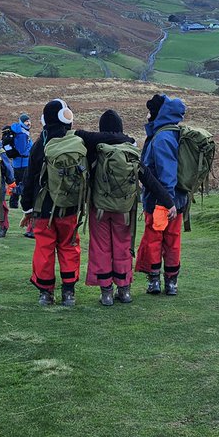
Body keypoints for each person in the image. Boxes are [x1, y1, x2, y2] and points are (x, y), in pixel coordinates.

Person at [21, 99, 85, 307]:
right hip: (69, 206)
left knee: (44, 249)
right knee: (69, 247)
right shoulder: (75, 141)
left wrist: (27, 207)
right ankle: (69, 292)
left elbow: (29, 178)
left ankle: (46, 293)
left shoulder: (40, 145)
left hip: (43, 209)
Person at [76, 109, 139, 306]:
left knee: (101, 248)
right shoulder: (130, 149)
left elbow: (78, 133)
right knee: (122, 246)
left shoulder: (96, 147)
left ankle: (106, 294)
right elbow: (146, 176)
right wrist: (168, 202)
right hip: (125, 209)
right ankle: (124, 290)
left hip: (100, 208)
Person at [135, 93, 187, 296]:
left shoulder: (161, 138)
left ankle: (155, 281)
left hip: (161, 200)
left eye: (151, 111)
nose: (148, 115)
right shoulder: (174, 133)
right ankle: (171, 282)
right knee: (172, 241)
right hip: (177, 200)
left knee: (155, 239)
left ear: (158, 113)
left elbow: (166, 173)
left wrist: (167, 201)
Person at [8, 113, 33, 209]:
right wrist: (31, 149)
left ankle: (13, 204)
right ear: (22, 122)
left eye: (29, 121)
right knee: (24, 185)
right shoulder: (22, 134)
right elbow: (22, 150)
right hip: (23, 164)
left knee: (17, 184)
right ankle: (22, 205)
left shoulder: (21, 132)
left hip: (17, 163)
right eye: (26, 121)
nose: (29, 123)